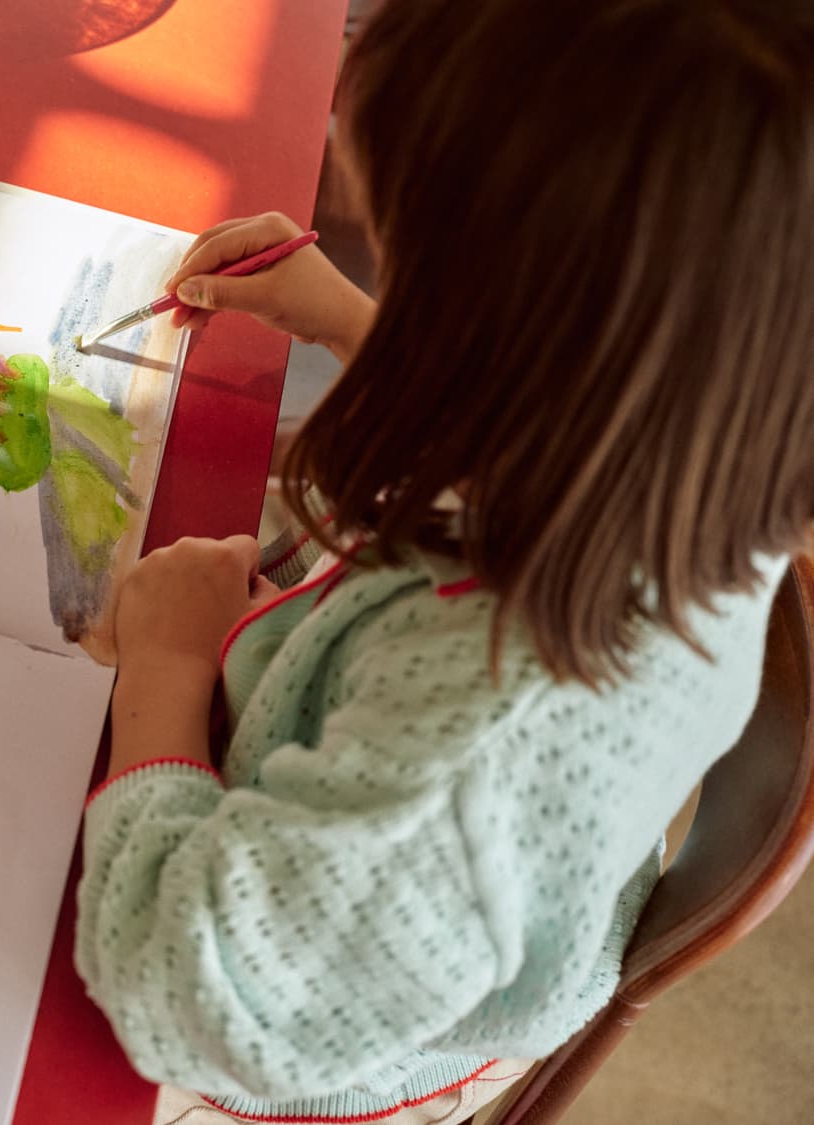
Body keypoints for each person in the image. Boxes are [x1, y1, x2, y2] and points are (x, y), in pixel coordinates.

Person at [73, 1, 814, 1122]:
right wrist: (354, 326)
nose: (389, 264)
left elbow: (191, 998)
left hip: (290, 1051)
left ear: (511, 329)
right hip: (373, 877)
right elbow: (559, 427)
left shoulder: (482, 747)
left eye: (421, 267)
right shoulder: (709, 451)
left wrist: (169, 670)